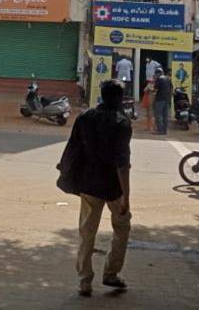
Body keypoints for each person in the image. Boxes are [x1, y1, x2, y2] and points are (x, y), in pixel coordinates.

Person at [58, 79, 132, 297]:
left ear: (102, 95)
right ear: (120, 98)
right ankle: (111, 273)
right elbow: (122, 163)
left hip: (89, 184)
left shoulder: (85, 117)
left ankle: (84, 281)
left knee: (87, 232)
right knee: (122, 228)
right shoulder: (122, 123)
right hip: (113, 186)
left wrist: (66, 172)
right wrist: (126, 197)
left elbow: (72, 148)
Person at [152, 67, 172, 135]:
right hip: (167, 99)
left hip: (159, 99)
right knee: (165, 115)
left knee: (158, 115)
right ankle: (164, 130)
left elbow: (155, 89)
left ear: (158, 73)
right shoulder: (168, 79)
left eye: (156, 74)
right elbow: (171, 88)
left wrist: (153, 91)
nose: (156, 75)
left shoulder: (159, 79)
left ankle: (160, 130)